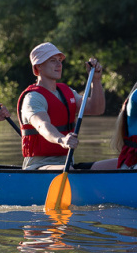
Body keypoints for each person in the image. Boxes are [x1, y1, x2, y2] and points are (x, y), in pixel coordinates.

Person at [16, 42, 106, 170]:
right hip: (38, 166)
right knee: (69, 171)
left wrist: (96, 80)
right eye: (53, 61)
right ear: (38, 66)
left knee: (120, 164)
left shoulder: (66, 92)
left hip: (68, 164)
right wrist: (62, 140)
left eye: (59, 60)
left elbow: (96, 109)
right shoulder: (32, 98)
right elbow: (42, 125)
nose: (59, 65)